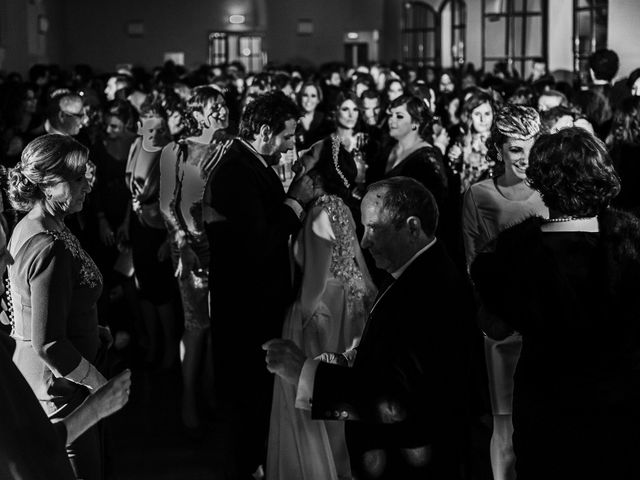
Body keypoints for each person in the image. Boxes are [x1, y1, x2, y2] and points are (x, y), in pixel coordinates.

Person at [265, 177, 477, 479]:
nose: (363, 242)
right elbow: (398, 366)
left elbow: (396, 402)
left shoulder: (428, 291)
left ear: (413, 227)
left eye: (373, 228)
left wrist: (304, 373)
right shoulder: (414, 271)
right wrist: (348, 362)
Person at [471, 127, 640, 479]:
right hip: (619, 401)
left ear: (543, 181)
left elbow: (495, 326)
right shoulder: (629, 244)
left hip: (547, 399)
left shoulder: (516, 252)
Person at [206, 91, 314, 479]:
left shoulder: (251, 161)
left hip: (256, 300)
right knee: (246, 400)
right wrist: (296, 202)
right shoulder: (236, 169)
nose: (291, 145)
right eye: (287, 136)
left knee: (256, 398)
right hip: (245, 306)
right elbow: (260, 242)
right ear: (266, 131)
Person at [5, 134, 120, 480]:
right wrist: (102, 388)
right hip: (59, 389)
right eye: (78, 178)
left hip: (51, 378)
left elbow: (40, 305)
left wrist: (88, 324)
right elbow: (49, 343)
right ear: (51, 185)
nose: (87, 186)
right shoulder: (49, 245)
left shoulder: (39, 223)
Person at [266, 135, 376, 480]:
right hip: (347, 310)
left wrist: (297, 319)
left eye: (311, 152)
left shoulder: (318, 212)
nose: (302, 154)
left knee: (312, 394)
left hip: (321, 315)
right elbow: (359, 265)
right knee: (338, 400)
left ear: (322, 168)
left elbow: (313, 281)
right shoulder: (340, 207)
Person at [462, 104, 547, 480]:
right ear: (499, 150)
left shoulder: (551, 192)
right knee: (504, 423)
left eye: (531, 146)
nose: (525, 157)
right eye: (515, 148)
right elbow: (472, 266)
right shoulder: (478, 195)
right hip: (502, 325)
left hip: (546, 321)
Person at [158, 85, 233, 430]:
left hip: (225, 245)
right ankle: (189, 399)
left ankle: (215, 392)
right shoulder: (178, 149)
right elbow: (165, 203)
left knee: (223, 327)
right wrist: (181, 241)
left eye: (222, 104)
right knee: (196, 325)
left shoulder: (231, 147)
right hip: (189, 245)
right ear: (198, 113)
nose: (221, 110)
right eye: (212, 106)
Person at [123, 100, 178, 368]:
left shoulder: (171, 151)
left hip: (160, 229)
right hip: (138, 225)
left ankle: (169, 347)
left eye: (160, 128)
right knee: (143, 287)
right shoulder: (136, 145)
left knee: (162, 292)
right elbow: (130, 191)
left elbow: (178, 199)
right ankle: (152, 342)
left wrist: (171, 238)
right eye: (149, 128)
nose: (154, 134)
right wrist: (125, 222)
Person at [448, 89, 497, 194]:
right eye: (477, 114)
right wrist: (455, 160)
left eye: (487, 114)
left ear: (493, 115)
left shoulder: (499, 142)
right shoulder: (463, 141)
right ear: (469, 116)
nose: (483, 119)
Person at [295, 81, 331, 151]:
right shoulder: (292, 120)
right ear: (300, 97)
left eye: (313, 96)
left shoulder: (325, 122)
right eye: (305, 95)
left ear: (318, 99)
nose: (309, 100)